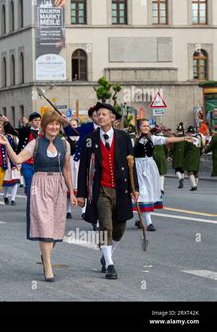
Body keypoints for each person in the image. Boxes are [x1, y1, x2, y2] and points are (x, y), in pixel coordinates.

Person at [0, 110, 76, 282]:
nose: (54, 127)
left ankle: (45, 255)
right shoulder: (36, 144)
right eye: (50, 124)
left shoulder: (65, 144)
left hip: (59, 185)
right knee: (45, 225)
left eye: (57, 124)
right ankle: (48, 265)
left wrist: (72, 192)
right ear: (44, 126)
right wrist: (6, 144)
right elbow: (17, 160)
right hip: (40, 184)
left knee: (56, 226)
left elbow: (67, 169)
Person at [77, 102, 139, 280]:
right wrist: (81, 193)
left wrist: (136, 189)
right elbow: (83, 169)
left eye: (104, 114)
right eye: (98, 114)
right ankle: (110, 264)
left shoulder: (124, 138)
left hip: (121, 189)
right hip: (100, 190)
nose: (100, 117)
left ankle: (106, 256)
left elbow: (131, 164)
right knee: (106, 226)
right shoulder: (90, 139)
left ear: (112, 118)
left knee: (120, 229)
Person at [133, 119, 192, 231]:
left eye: (148, 126)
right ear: (139, 127)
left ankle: (140, 219)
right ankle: (149, 222)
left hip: (150, 167)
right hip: (138, 168)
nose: (146, 127)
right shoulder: (133, 140)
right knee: (142, 193)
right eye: (144, 126)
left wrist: (183, 138)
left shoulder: (153, 138)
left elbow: (168, 139)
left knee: (148, 192)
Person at [2, 113, 41, 195]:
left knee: (39, 185)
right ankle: (29, 201)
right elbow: (12, 131)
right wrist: (7, 123)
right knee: (29, 182)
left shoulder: (44, 133)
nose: (38, 122)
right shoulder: (25, 131)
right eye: (35, 120)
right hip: (27, 162)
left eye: (39, 120)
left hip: (40, 163)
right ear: (30, 122)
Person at [183, 126, 204, 191]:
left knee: (189, 171)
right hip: (197, 156)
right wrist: (199, 153)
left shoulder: (189, 138)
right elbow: (201, 147)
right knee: (196, 171)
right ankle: (195, 185)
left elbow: (185, 148)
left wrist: (184, 156)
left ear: (189, 132)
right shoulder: (199, 137)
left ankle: (194, 186)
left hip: (190, 156)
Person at [151, 126, 168, 194]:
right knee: (162, 173)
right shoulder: (161, 139)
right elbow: (166, 150)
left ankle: (155, 187)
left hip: (153, 157)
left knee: (154, 173)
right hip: (162, 157)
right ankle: (161, 188)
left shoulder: (151, 139)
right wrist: (166, 156)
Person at [170, 122, 186, 188]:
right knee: (182, 169)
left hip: (177, 156)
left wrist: (170, 154)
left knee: (177, 169)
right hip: (184, 155)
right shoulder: (185, 138)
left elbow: (172, 147)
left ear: (177, 131)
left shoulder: (175, 138)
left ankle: (180, 179)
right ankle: (182, 179)